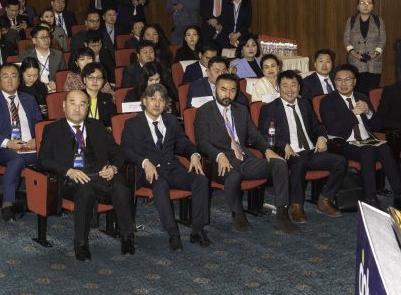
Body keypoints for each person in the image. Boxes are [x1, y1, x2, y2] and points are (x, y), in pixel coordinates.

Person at [38, 90, 136, 260]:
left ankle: (127, 237)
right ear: (64, 106)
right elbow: (44, 160)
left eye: (82, 104)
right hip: (72, 179)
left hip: (99, 175)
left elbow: (118, 153)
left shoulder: (97, 126)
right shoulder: (52, 129)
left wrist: (112, 168)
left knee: (121, 189)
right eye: (72, 103)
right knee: (85, 192)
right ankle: (81, 243)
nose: (77, 108)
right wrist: (68, 171)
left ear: (88, 107)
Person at [194, 74, 294, 234]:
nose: (228, 94)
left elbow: (254, 135)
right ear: (215, 90)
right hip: (219, 162)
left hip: (244, 160)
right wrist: (219, 156)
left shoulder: (241, 110)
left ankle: (282, 214)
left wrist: (267, 150)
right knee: (233, 176)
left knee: (280, 164)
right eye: (223, 89)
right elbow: (202, 142)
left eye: (232, 90)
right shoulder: (204, 111)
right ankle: (238, 215)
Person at [119, 85, 212, 249]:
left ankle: (197, 230)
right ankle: (173, 234)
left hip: (172, 168)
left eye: (161, 100)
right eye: (153, 99)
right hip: (149, 171)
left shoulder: (171, 121)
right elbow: (126, 150)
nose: (157, 103)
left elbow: (184, 143)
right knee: (160, 184)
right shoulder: (132, 124)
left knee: (200, 181)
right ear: (144, 101)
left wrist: (193, 155)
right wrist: (144, 162)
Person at [258, 70, 346, 220]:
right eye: (285, 86)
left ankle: (325, 199)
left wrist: (322, 137)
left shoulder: (305, 103)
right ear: (278, 88)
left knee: (341, 161)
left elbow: (317, 125)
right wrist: (282, 144)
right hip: (289, 153)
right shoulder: (269, 108)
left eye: (293, 85)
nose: (289, 90)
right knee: (299, 162)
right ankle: (296, 205)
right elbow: (265, 133)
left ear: (299, 87)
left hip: (311, 151)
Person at [318, 67, 401, 208]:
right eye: (339, 80)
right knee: (368, 151)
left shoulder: (361, 97)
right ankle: (370, 198)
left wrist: (368, 112)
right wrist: (353, 113)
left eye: (348, 79)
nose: (343, 83)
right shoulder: (328, 101)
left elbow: (377, 125)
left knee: (385, 148)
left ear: (355, 82)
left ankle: (399, 194)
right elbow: (333, 130)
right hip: (345, 143)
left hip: (367, 139)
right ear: (334, 82)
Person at [0, 65, 44, 220]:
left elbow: (40, 125)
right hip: (4, 150)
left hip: (30, 147)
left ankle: (51, 202)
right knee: (16, 160)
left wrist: (36, 139)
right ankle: (8, 203)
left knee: (53, 156)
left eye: (14, 76)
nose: (10, 80)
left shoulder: (29, 100)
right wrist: (8, 143)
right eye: (5, 76)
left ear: (19, 79)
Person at [344, 0, 386, 89]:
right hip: (356, 62)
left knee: (372, 93)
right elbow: (346, 40)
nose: (365, 5)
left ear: (373, 6)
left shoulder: (378, 20)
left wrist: (375, 54)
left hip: (374, 64)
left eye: (369, 3)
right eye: (362, 3)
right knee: (358, 93)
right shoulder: (351, 20)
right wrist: (355, 54)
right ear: (358, 6)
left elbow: (382, 40)